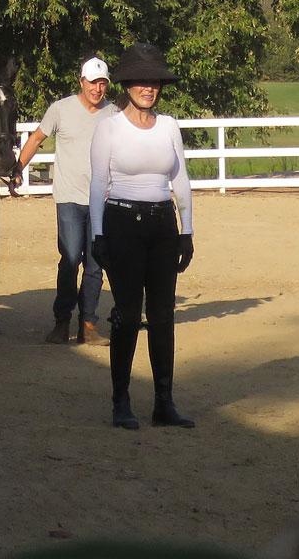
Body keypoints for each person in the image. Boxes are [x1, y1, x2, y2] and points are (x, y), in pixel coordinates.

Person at [89, 43, 195, 430]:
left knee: (163, 315)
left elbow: (180, 178)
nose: (149, 88)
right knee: (128, 314)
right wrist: (98, 235)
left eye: (155, 82)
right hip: (122, 224)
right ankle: (121, 401)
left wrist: (187, 231)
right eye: (141, 82)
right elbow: (99, 182)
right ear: (128, 85)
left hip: (162, 225)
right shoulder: (110, 127)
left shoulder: (168, 126)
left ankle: (164, 402)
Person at [15, 56, 119, 345]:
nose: (98, 89)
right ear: (81, 82)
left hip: (102, 200)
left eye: (103, 83)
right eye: (93, 83)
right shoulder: (60, 109)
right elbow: (36, 138)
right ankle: (62, 321)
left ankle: (87, 324)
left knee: (96, 263)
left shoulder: (113, 113)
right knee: (71, 258)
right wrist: (17, 170)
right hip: (70, 199)